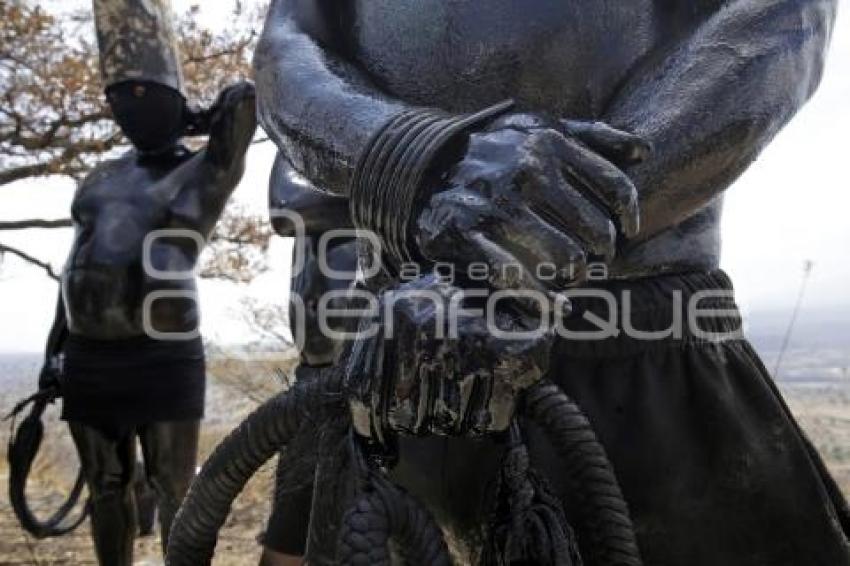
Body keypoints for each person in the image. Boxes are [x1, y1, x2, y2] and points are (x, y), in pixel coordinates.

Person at [252, 0, 850, 564]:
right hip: (401, 354)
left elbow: (778, 20)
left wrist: (532, 227)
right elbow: (288, 48)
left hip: (641, 354)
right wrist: (423, 159)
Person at [36, 1, 257, 563]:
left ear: (173, 102)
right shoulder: (100, 177)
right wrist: (53, 350)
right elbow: (74, 265)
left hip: (163, 356)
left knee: (175, 489)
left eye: (143, 94)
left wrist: (193, 116)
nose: (128, 106)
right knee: (106, 488)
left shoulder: (204, 171)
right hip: (88, 357)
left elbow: (245, 99)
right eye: (118, 97)